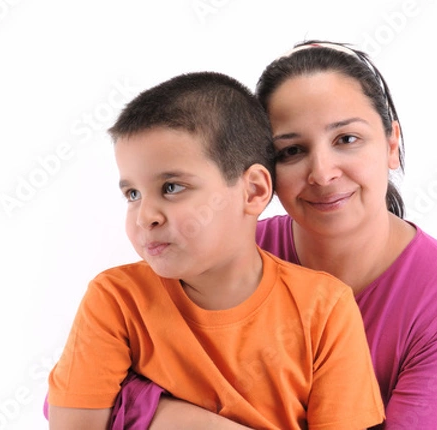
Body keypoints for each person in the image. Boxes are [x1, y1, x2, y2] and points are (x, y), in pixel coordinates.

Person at [102, 41, 437, 429]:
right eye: (291, 151)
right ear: (261, 174)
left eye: (346, 139)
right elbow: (80, 391)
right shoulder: (228, 251)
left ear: (392, 144)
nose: (323, 173)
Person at [46, 70, 385, 429]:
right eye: (132, 194)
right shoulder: (116, 300)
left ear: (253, 191)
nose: (145, 216)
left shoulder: (325, 307)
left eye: (172, 187)